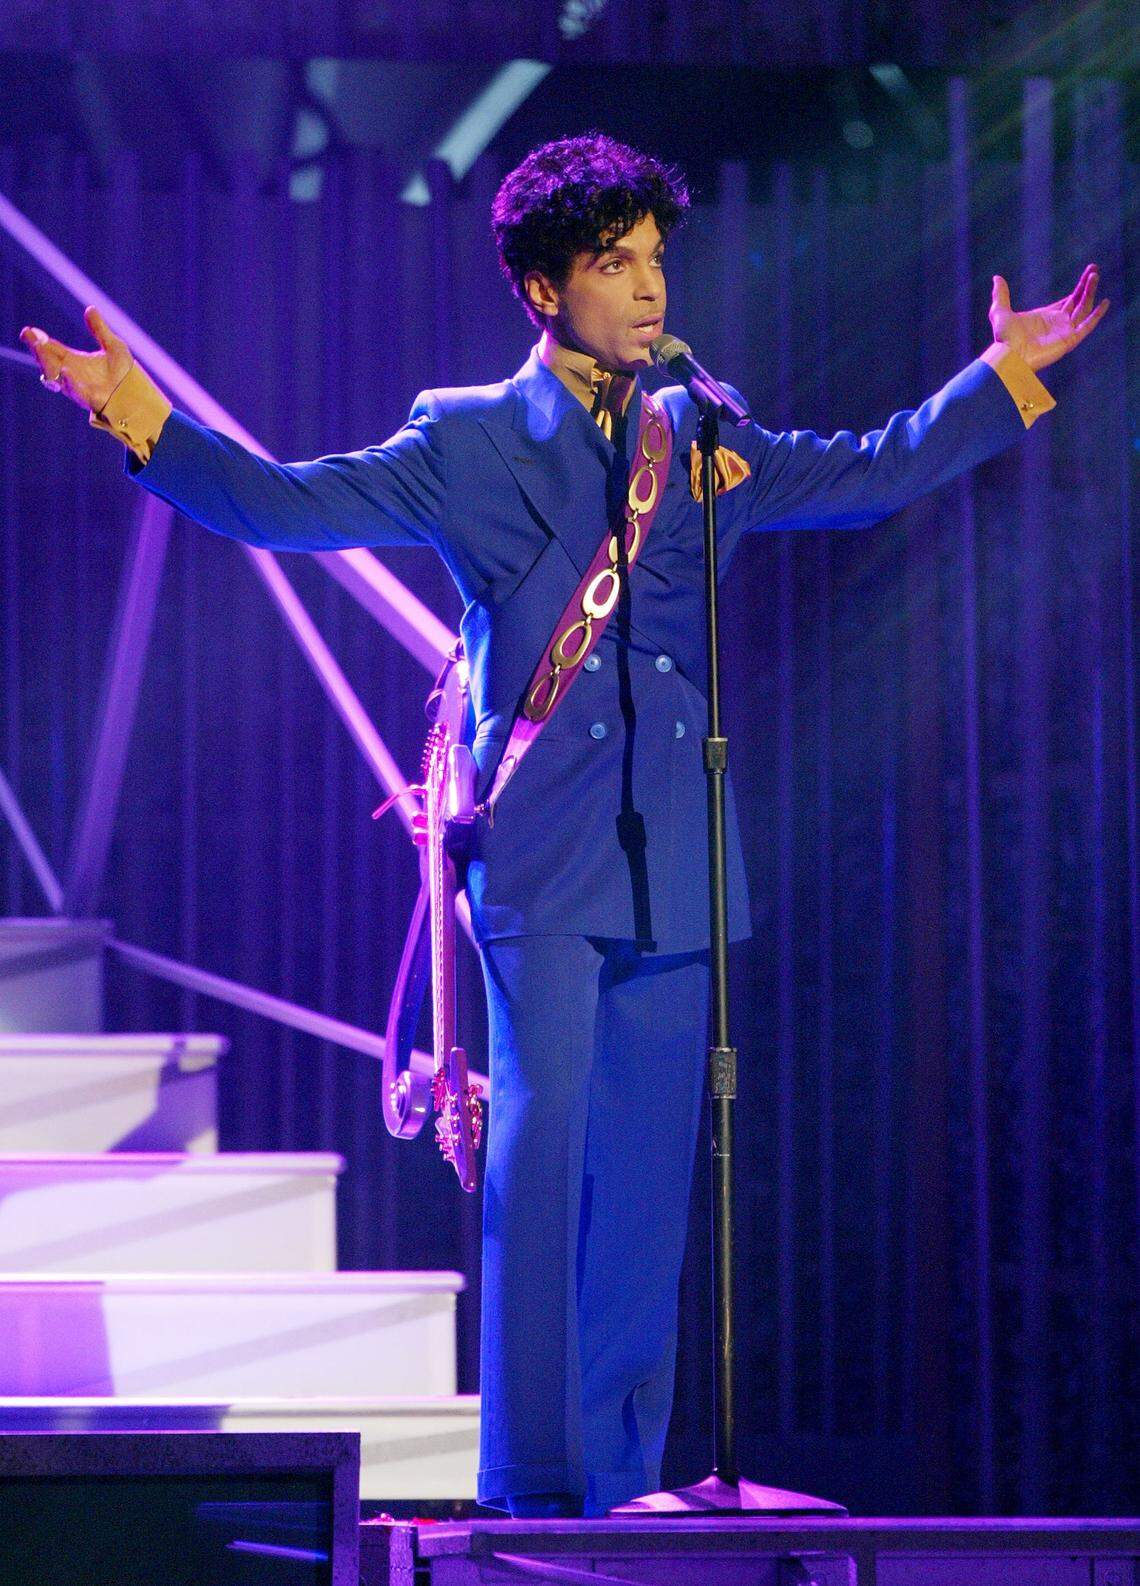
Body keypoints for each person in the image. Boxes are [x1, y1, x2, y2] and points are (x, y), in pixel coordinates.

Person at [20, 133, 1107, 1518]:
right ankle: (531, 1493)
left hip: (681, 855)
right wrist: (140, 415)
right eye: (615, 261)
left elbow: (869, 470)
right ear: (544, 285)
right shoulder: (465, 438)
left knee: (651, 1192)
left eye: (657, 256)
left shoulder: (696, 428)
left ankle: (621, 1484)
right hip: (540, 855)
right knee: (541, 1166)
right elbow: (286, 505)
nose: (649, 285)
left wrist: (1004, 377)